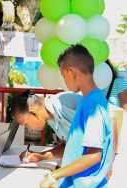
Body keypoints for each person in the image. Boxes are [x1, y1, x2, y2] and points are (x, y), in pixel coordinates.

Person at [39, 44, 113, 188]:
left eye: (63, 75)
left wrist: (54, 175)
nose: (63, 81)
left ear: (72, 72)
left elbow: (94, 155)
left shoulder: (92, 105)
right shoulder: (91, 99)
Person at [12, 90, 82, 163]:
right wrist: (41, 156)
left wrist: (55, 174)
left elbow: (91, 147)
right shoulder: (50, 118)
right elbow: (68, 146)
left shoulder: (63, 103)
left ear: (33, 113)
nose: (28, 128)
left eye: (26, 124)